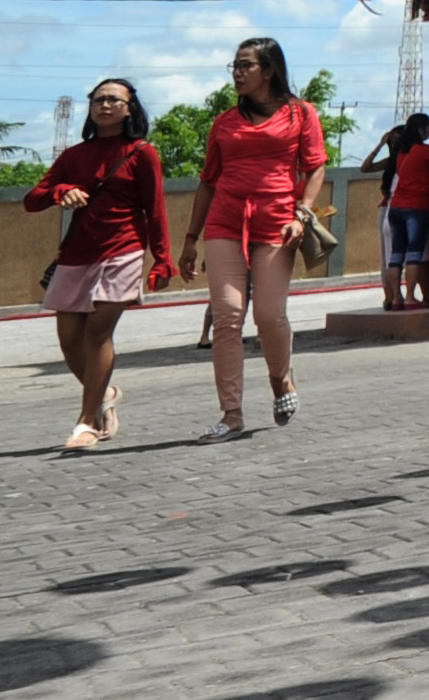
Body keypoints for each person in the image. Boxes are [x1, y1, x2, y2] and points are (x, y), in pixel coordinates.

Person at [178, 38, 325, 438]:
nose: (237, 73)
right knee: (227, 318)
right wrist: (192, 238)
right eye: (235, 66)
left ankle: (281, 379)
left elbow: (314, 168)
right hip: (226, 223)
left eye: (246, 65)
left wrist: (302, 213)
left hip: (278, 224)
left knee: (268, 316)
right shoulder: (224, 122)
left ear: (270, 69)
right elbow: (208, 182)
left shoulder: (300, 114)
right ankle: (231, 414)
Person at [26, 78, 167, 452]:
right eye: (98, 100)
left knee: (96, 335)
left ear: (129, 108)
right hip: (75, 256)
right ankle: (107, 394)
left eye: (113, 100)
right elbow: (32, 199)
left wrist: (162, 260)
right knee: (70, 342)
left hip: (123, 250)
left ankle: (86, 421)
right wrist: (60, 191)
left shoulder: (141, 153)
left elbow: (155, 211)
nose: (104, 105)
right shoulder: (74, 156)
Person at [369, 111, 429, 312]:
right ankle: (413, 297)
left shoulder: (397, 160)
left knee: (393, 258)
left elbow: (365, 167)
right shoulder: (417, 155)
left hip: (392, 211)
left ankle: (394, 298)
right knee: (416, 255)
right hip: (413, 209)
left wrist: (380, 145)